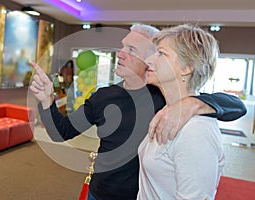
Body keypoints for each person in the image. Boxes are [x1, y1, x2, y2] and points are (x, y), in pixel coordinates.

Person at [29, 24, 246, 200]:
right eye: (122, 47)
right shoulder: (104, 96)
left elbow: (236, 106)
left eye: (131, 50)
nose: (120, 54)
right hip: (99, 192)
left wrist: (194, 103)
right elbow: (62, 132)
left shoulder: (165, 97)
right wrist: (48, 100)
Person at [137, 24, 226, 199]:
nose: (148, 60)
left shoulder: (196, 131)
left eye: (161, 53)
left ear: (187, 67)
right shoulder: (166, 111)